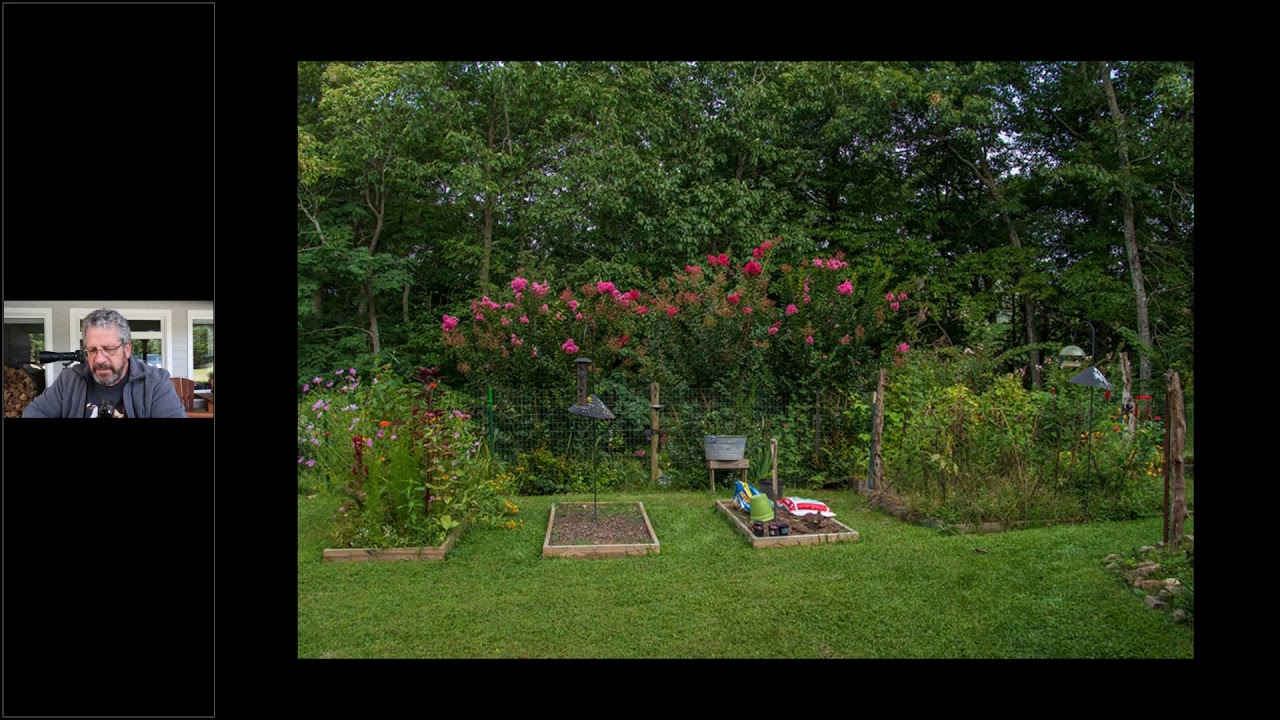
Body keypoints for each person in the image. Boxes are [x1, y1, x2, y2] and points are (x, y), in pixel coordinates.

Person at [22, 308, 187, 418]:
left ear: (127, 349)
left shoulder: (155, 383)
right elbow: (33, 413)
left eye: (108, 349)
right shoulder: (69, 380)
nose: (99, 359)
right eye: (92, 350)